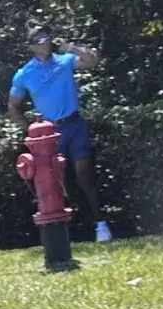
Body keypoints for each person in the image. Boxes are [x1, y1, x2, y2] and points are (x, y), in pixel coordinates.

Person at [7, 24, 112, 243]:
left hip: (74, 124)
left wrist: (71, 47)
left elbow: (93, 61)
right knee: (58, 182)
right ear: (31, 47)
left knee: (83, 173)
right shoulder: (24, 74)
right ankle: (68, 230)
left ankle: (100, 224)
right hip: (50, 133)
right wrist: (30, 130)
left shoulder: (64, 61)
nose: (45, 42)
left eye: (47, 37)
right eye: (39, 39)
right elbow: (13, 106)